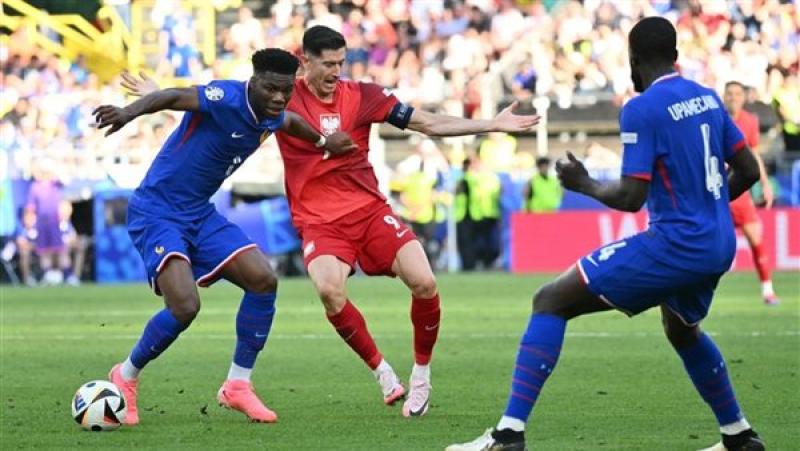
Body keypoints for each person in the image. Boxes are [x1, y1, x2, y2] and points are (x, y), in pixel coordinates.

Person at [448, 17, 764, 451]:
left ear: (633, 59)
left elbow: (632, 196)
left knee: (550, 301)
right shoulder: (707, 98)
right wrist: (705, 207)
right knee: (682, 329)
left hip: (677, 243)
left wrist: (585, 184)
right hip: (718, 242)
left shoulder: (641, 108)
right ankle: (739, 436)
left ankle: (508, 435)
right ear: (676, 55)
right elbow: (748, 170)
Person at [276, 25, 538, 418]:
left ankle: (421, 375)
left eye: (341, 63)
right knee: (329, 290)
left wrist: (491, 124)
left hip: (369, 212)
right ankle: (382, 372)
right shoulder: (283, 97)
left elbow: (427, 123)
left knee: (425, 282)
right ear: (305, 61)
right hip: (320, 221)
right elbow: (234, 109)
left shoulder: (363, 95)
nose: (335, 72)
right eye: (327, 64)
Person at [92, 48, 356, 426]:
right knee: (185, 306)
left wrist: (323, 142)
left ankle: (238, 385)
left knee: (263, 280)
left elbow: (292, 122)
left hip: (199, 213)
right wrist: (127, 113)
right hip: (157, 211)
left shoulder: (272, 113)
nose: (279, 98)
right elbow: (175, 96)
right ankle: (126, 375)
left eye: (286, 90)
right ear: (253, 81)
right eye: (270, 89)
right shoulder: (226, 97)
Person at [723, 81, 779, 305]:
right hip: (718, 193)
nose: (733, 97)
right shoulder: (716, 119)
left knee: (756, 238)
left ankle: (768, 290)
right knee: (710, 245)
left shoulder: (750, 121)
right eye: (729, 94)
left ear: (744, 97)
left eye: (737, 94)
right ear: (724, 96)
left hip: (740, 193)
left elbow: (754, 155)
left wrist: (765, 184)